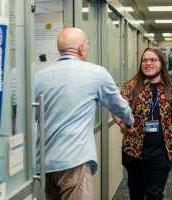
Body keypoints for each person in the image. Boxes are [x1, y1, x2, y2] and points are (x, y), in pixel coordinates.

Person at [35, 28, 134, 200]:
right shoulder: (95, 73)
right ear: (81, 48)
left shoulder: (40, 76)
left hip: (44, 162)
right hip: (74, 161)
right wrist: (129, 122)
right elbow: (119, 106)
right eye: (87, 45)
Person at [113, 47, 172, 200]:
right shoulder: (130, 87)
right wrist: (121, 124)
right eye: (144, 60)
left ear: (162, 64)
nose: (148, 63)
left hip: (161, 153)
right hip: (133, 152)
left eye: (153, 60)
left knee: (155, 195)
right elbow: (116, 110)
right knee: (136, 193)